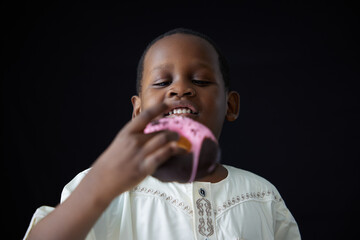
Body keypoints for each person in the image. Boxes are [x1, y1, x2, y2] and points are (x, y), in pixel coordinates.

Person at [24, 28, 301, 240]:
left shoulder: (263, 195)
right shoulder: (106, 184)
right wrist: (101, 184)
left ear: (230, 105)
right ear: (138, 110)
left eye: (200, 80)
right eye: (162, 82)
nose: (180, 90)